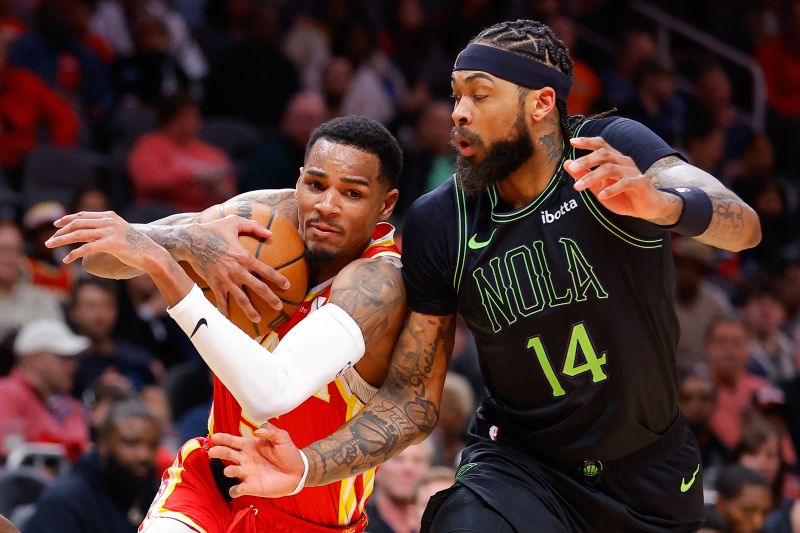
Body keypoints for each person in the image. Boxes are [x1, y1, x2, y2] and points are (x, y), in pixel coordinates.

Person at [207, 19, 762, 532]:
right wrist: (306, 466)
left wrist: (662, 205)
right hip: (522, 470)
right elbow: (412, 400)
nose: (458, 112)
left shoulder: (613, 148)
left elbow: (744, 225)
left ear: (542, 103)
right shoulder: (438, 221)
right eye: (455, 95)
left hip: (649, 471)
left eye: (479, 93)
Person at [46, 115, 406, 532]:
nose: (327, 205)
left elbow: (270, 394)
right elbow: (99, 257)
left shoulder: (379, 283)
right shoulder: (260, 219)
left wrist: (167, 268)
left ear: (385, 203)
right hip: (214, 483)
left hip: (308, 517)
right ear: (300, 180)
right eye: (316, 185)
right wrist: (185, 242)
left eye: (352, 193)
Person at [24, 400, 161, 533]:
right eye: (131, 443)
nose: (144, 455)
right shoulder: (64, 502)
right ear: (103, 442)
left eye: (152, 445)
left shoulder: (159, 499)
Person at [0, 318, 89, 461]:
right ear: (33, 360)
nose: (73, 366)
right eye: (63, 357)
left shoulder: (71, 405)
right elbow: (6, 454)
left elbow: (80, 446)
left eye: (73, 358)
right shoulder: (6, 393)